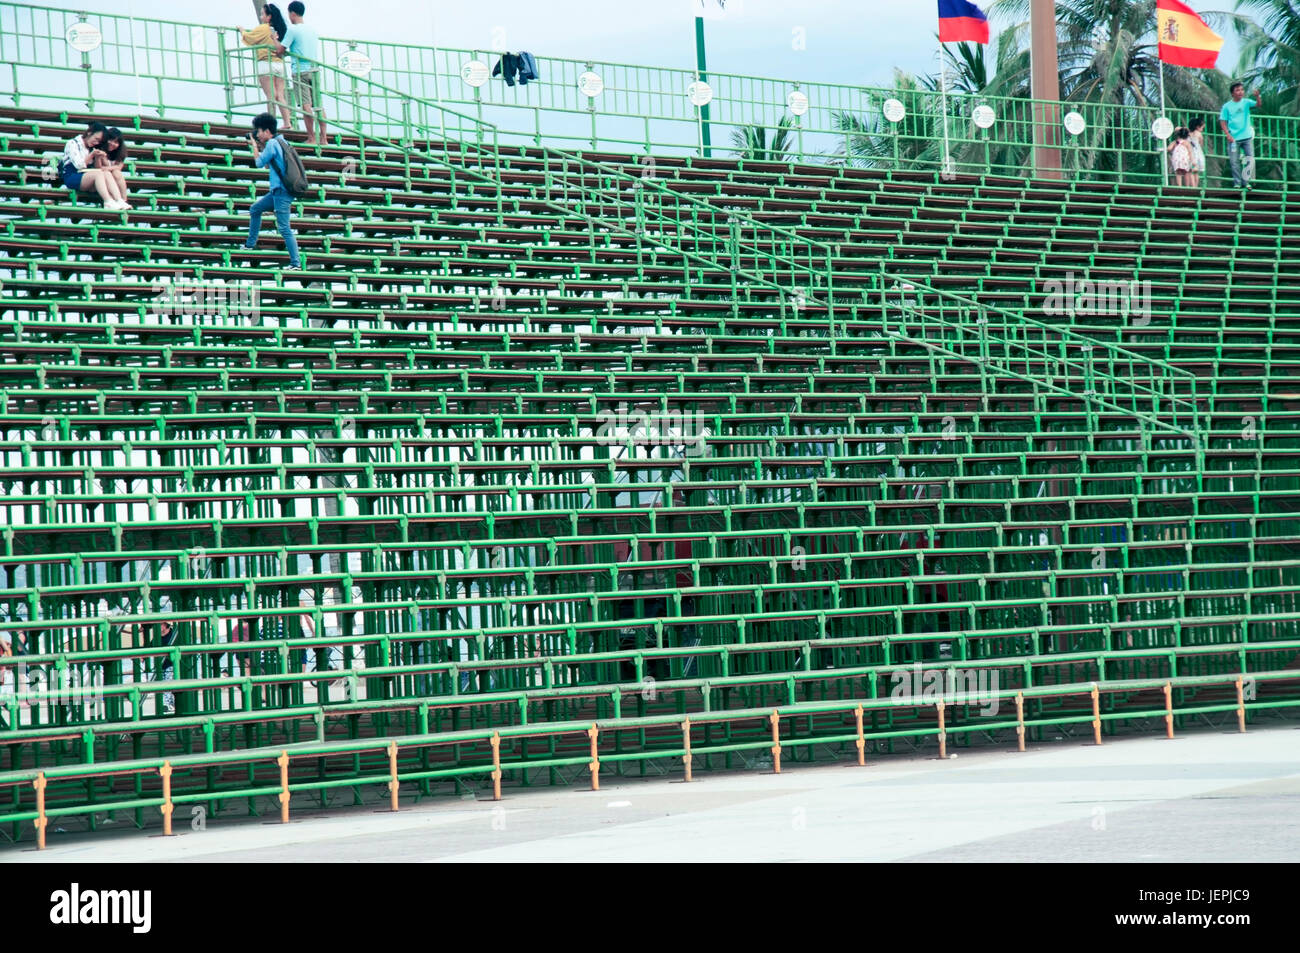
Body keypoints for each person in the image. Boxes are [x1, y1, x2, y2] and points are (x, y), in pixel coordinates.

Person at [243, 112, 302, 271]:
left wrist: (255, 147)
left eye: (259, 131)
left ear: (267, 131)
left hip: (281, 192)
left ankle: (296, 263)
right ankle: (250, 245)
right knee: (255, 209)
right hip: (279, 191)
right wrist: (261, 146)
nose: (258, 134)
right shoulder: (282, 141)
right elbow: (271, 165)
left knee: (284, 227)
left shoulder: (272, 144)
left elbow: (259, 163)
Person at [277, 2, 327, 145]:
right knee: (318, 105)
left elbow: (280, 50)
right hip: (314, 70)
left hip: (300, 71)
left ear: (292, 13)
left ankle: (311, 137)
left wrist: (275, 39)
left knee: (306, 105)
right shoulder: (312, 30)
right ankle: (323, 138)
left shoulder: (293, 30)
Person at [240, 4, 293, 133]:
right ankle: (287, 122)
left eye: (263, 14)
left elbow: (250, 38)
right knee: (280, 95)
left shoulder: (263, 28)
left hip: (265, 63)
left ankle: (270, 126)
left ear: (269, 16)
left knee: (270, 96)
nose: (261, 16)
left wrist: (241, 30)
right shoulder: (281, 28)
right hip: (279, 64)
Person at [59, 121, 130, 210]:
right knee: (99, 173)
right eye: (96, 139)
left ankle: (119, 200)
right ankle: (108, 201)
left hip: (86, 176)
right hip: (72, 176)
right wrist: (92, 155)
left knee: (106, 173)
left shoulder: (91, 148)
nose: (96, 142)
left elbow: (96, 167)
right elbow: (79, 165)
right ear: (89, 133)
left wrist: (98, 157)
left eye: (99, 141)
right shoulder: (73, 143)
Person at [1219, 82, 1262, 191]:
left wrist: (1257, 96)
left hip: (1247, 137)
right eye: (1237, 90)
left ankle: (1246, 182)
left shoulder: (1246, 102)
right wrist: (1227, 134)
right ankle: (1237, 183)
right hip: (1233, 139)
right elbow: (1223, 121)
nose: (1240, 92)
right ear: (1232, 93)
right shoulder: (1227, 106)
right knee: (1234, 162)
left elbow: (1258, 105)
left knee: (1250, 159)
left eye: (1242, 90)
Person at [93, 127, 130, 205]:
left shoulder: (120, 153)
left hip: (115, 179)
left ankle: (124, 200)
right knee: (110, 172)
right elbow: (98, 168)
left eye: (116, 142)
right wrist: (100, 158)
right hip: (102, 180)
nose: (112, 143)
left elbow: (119, 167)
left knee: (116, 172)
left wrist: (107, 168)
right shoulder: (99, 149)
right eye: (110, 140)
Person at [1188, 117, 1207, 188]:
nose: (1202, 129)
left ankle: (1193, 187)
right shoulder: (1199, 134)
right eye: (1202, 128)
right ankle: (1195, 186)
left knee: (1191, 172)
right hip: (1198, 154)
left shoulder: (1188, 133)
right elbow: (1201, 144)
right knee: (1196, 172)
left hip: (1190, 154)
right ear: (1197, 127)